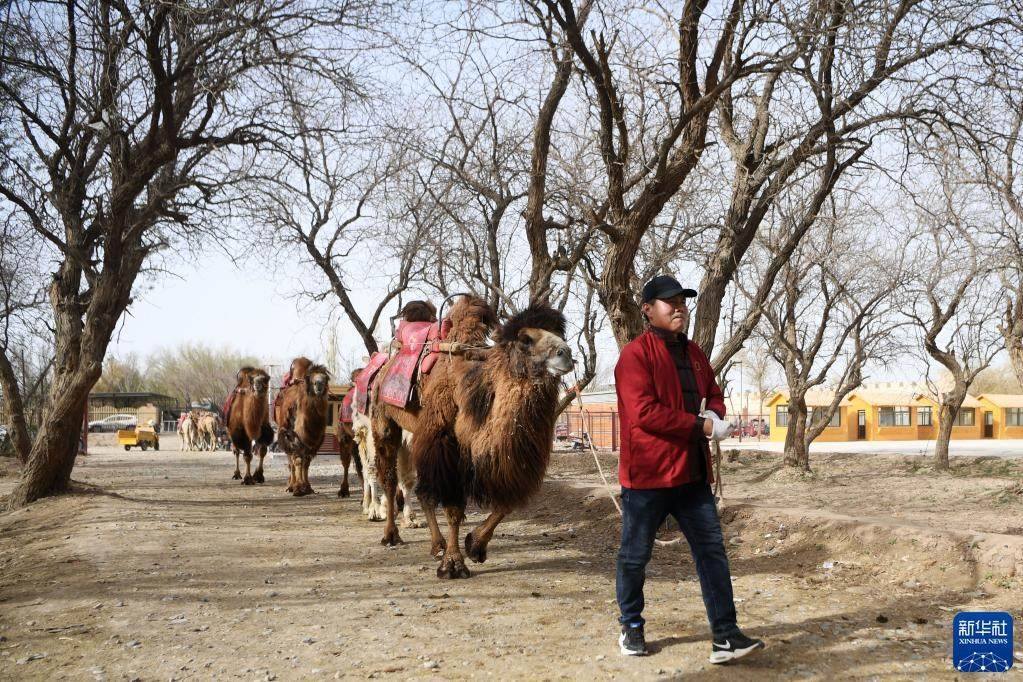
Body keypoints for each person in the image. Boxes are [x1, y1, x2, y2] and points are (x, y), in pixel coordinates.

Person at [613, 275, 764, 664]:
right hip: (648, 476)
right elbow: (645, 413)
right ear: (648, 310)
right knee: (635, 556)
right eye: (670, 302)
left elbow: (713, 392)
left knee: (712, 552)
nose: (679, 307)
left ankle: (725, 636)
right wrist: (703, 427)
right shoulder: (634, 356)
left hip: (692, 474)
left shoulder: (694, 353)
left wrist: (714, 412)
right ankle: (631, 625)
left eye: (683, 301)